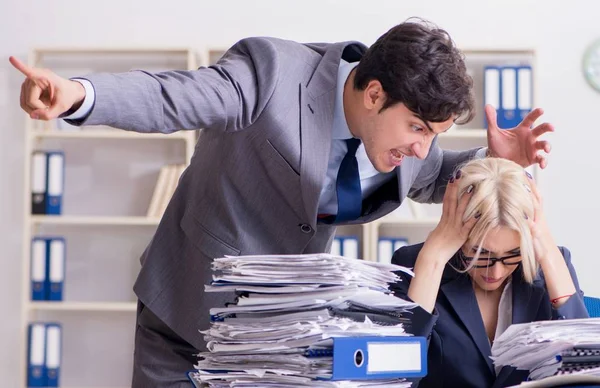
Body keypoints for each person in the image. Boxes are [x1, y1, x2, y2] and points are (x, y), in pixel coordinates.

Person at [11, 18, 554, 387]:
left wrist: (494, 157)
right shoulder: (272, 74)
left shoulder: (408, 143)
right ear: (372, 94)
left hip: (281, 333)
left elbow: (436, 175)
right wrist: (80, 95)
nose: (421, 146)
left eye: (432, 133)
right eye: (416, 128)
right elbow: (173, 95)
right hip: (186, 310)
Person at [390, 157, 589, 388]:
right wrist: (432, 260)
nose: (496, 270)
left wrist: (547, 252)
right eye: (480, 253)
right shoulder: (413, 264)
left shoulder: (551, 264)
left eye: (512, 254)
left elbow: (586, 371)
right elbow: (395, 375)